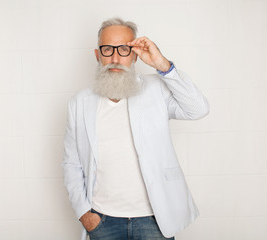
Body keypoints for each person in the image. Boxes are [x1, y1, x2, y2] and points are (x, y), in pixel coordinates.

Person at [63, 17, 209, 240]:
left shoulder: (156, 89)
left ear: (134, 54)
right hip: (102, 221)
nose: (115, 58)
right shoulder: (80, 103)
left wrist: (162, 64)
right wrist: (85, 214)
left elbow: (197, 109)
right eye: (107, 49)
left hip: (154, 220)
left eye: (123, 49)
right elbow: (71, 163)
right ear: (97, 55)